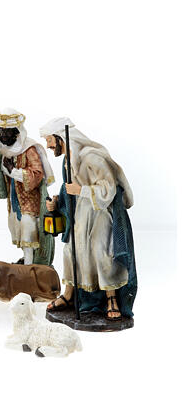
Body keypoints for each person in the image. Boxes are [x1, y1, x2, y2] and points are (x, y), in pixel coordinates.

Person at [41, 117, 137, 320]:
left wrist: (82, 190)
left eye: (49, 140)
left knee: (101, 250)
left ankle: (111, 298)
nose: (48, 146)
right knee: (71, 251)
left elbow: (109, 188)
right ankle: (69, 295)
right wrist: (58, 202)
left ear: (60, 137)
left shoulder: (92, 157)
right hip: (81, 212)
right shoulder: (68, 160)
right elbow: (69, 189)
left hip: (101, 210)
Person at [0, 108, 55, 265]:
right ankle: (27, 261)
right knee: (18, 228)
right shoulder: (2, 149)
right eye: (2, 131)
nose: (4, 135)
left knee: (28, 229)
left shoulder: (29, 149)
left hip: (30, 199)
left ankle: (29, 267)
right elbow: (0, 172)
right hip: (14, 197)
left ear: (16, 132)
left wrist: (13, 171)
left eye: (8, 131)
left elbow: (37, 174)